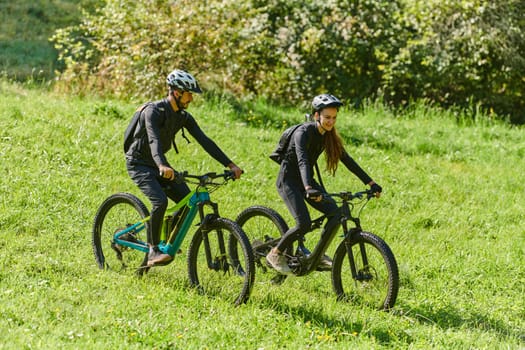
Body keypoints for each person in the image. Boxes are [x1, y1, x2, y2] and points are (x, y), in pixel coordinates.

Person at [125, 69, 243, 267]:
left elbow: (205, 141)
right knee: (160, 201)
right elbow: (153, 139)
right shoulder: (152, 111)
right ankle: (153, 249)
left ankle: (166, 240)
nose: (191, 98)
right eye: (189, 94)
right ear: (177, 92)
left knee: (186, 202)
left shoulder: (183, 117)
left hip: (160, 164)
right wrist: (162, 164)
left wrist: (230, 164)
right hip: (139, 163)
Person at [266, 94, 382, 274]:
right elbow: (303, 160)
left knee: (336, 214)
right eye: (327, 117)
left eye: (334, 118)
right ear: (316, 115)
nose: (331, 121)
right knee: (303, 223)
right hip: (289, 181)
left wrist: (371, 182)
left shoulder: (329, 136)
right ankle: (275, 252)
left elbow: (348, 160)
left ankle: (317, 255)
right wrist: (307, 188)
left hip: (307, 183)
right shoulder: (302, 133)